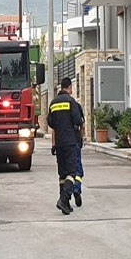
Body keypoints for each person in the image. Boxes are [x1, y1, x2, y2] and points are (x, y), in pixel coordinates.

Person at [48, 77, 83, 215]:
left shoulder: (53, 103)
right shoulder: (71, 101)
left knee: (62, 174)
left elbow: (50, 123)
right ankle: (63, 199)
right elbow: (77, 120)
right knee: (71, 172)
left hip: (59, 143)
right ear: (68, 88)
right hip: (70, 142)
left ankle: (66, 204)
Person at [73, 102, 86, 207]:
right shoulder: (76, 105)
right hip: (75, 141)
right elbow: (82, 124)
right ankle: (76, 188)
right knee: (77, 168)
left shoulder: (55, 103)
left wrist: (54, 144)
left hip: (62, 143)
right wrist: (81, 138)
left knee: (65, 170)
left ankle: (65, 195)